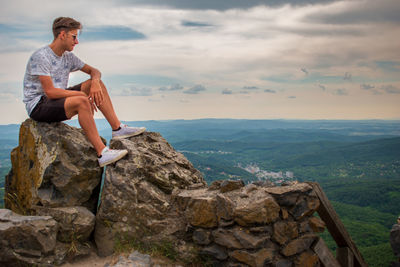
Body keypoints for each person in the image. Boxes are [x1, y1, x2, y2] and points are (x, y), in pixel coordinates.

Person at [23, 17, 145, 167]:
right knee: (81, 100)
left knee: (96, 83)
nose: (76, 41)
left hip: (56, 97)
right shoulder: (41, 56)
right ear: (62, 35)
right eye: (74, 37)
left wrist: (94, 83)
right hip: (38, 105)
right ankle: (102, 153)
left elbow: (94, 71)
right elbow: (50, 92)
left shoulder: (68, 57)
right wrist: (80, 95)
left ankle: (117, 128)